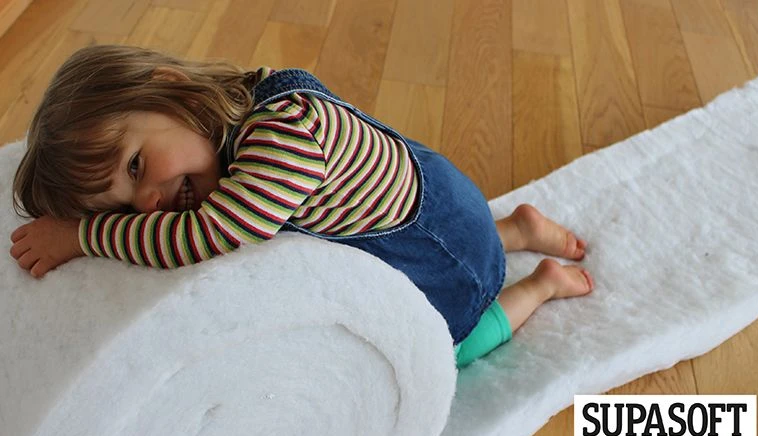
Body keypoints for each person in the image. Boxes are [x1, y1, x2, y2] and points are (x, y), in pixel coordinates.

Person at [9, 45, 594, 369]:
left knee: (448, 353)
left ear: (171, 90)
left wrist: (83, 236)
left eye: (136, 166)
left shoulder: (282, 139)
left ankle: (538, 284)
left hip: (448, 258)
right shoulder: (250, 101)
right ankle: (516, 228)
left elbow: (207, 236)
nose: (149, 203)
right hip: (441, 205)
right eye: (124, 208)